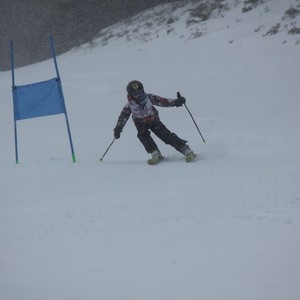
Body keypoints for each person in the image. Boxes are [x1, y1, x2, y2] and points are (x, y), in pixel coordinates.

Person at [113, 80, 197, 164]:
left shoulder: (149, 98)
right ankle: (155, 152)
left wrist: (176, 102)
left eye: (141, 92)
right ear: (131, 94)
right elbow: (123, 117)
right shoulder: (129, 105)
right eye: (136, 94)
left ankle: (186, 150)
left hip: (153, 120)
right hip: (140, 123)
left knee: (165, 135)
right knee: (142, 136)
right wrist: (118, 129)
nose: (139, 95)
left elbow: (163, 101)